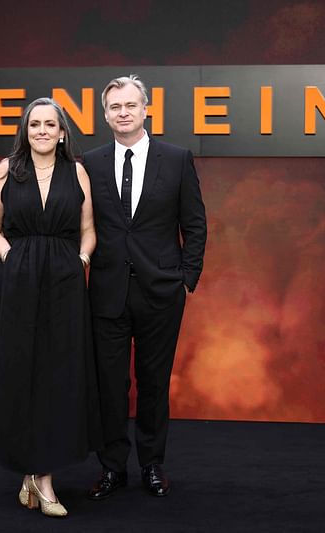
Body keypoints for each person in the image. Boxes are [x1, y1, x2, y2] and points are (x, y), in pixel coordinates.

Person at [83, 75, 207, 499]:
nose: (123, 113)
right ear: (105, 114)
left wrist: (186, 279)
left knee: (154, 383)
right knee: (109, 385)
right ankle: (112, 468)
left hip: (161, 292)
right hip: (106, 291)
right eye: (115, 107)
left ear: (146, 109)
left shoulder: (176, 159)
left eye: (130, 106)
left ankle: (152, 465)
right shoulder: (90, 162)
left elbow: (195, 223)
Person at [0, 97, 101, 518]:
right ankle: (31, 474)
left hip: (65, 285)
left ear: (63, 131)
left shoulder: (78, 172)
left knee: (56, 376)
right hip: (17, 283)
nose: (43, 131)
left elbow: (88, 231)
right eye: (35, 124)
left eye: (51, 124)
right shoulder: (6, 170)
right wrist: (11, 257)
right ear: (25, 130)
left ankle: (43, 478)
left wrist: (81, 260)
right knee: (20, 373)